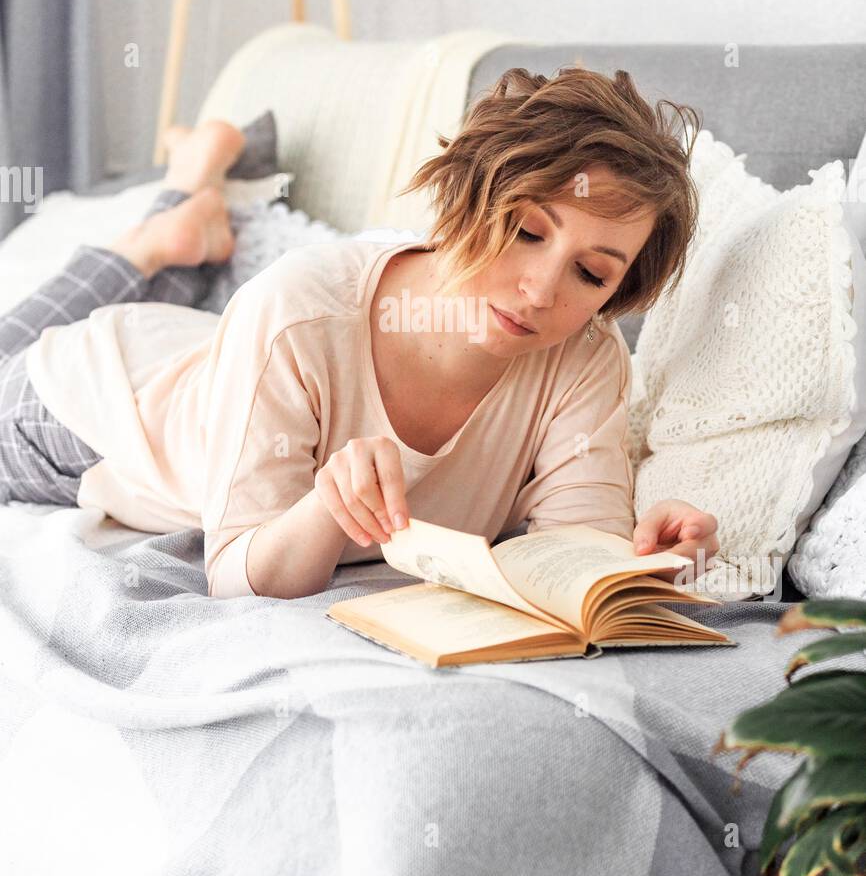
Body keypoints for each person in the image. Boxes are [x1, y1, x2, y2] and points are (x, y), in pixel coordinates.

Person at [0, 67, 720, 600]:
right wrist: (325, 509)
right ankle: (162, 228)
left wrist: (642, 564)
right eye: (526, 231)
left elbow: (575, 550)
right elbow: (237, 578)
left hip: (208, 354)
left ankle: (181, 217)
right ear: (464, 194)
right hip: (86, 403)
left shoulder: (586, 361)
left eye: (591, 275)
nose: (541, 291)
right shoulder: (297, 308)